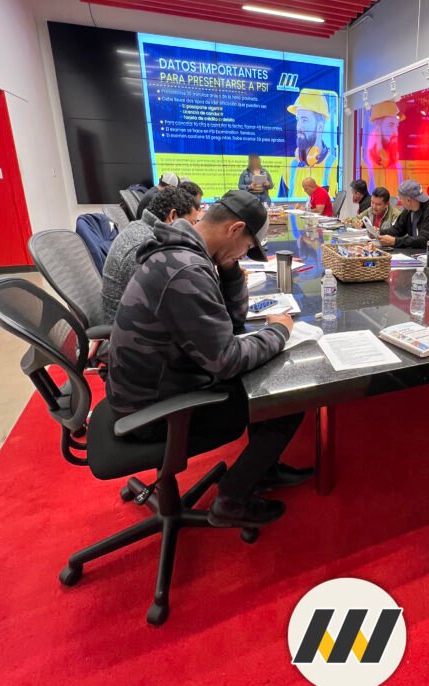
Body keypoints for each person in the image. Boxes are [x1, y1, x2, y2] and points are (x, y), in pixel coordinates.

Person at [106, 190, 311, 528]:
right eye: (247, 248)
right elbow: (227, 360)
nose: (244, 255)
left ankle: (263, 469)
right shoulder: (186, 270)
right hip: (154, 410)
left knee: (264, 378)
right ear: (235, 229)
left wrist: (229, 271)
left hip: (151, 385)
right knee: (287, 397)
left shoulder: (185, 252)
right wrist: (280, 331)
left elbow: (232, 323)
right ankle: (232, 499)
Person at [102, 186, 200, 321]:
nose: (193, 231)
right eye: (191, 224)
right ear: (172, 216)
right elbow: (165, 302)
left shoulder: (140, 228)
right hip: (125, 326)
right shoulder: (145, 248)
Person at [288, 89, 337, 197]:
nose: (299, 126)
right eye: (298, 120)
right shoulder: (292, 166)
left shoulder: (333, 165)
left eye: (304, 120)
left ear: (320, 127)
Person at [379, 179, 429, 249]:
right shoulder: (409, 210)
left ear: (408, 200)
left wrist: (395, 241)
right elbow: (397, 230)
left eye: (401, 199)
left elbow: (426, 240)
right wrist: (379, 232)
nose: (400, 201)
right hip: (418, 253)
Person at [364, 99, 404, 197]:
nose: (395, 132)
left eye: (397, 126)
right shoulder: (366, 164)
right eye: (391, 125)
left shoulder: (398, 165)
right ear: (377, 128)